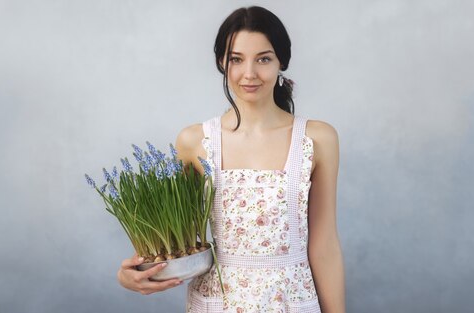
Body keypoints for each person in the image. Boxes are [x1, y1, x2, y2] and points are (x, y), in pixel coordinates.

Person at [117, 6, 345, 312]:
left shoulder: (317, 139)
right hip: (218, 302)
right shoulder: (194, 141)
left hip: (290, 301)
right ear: (222, 63)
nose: (249, 73)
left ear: (282, 62)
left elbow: (324, 246)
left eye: (263, 59)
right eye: (236, 59)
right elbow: (171, 240)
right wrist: (129, 274)